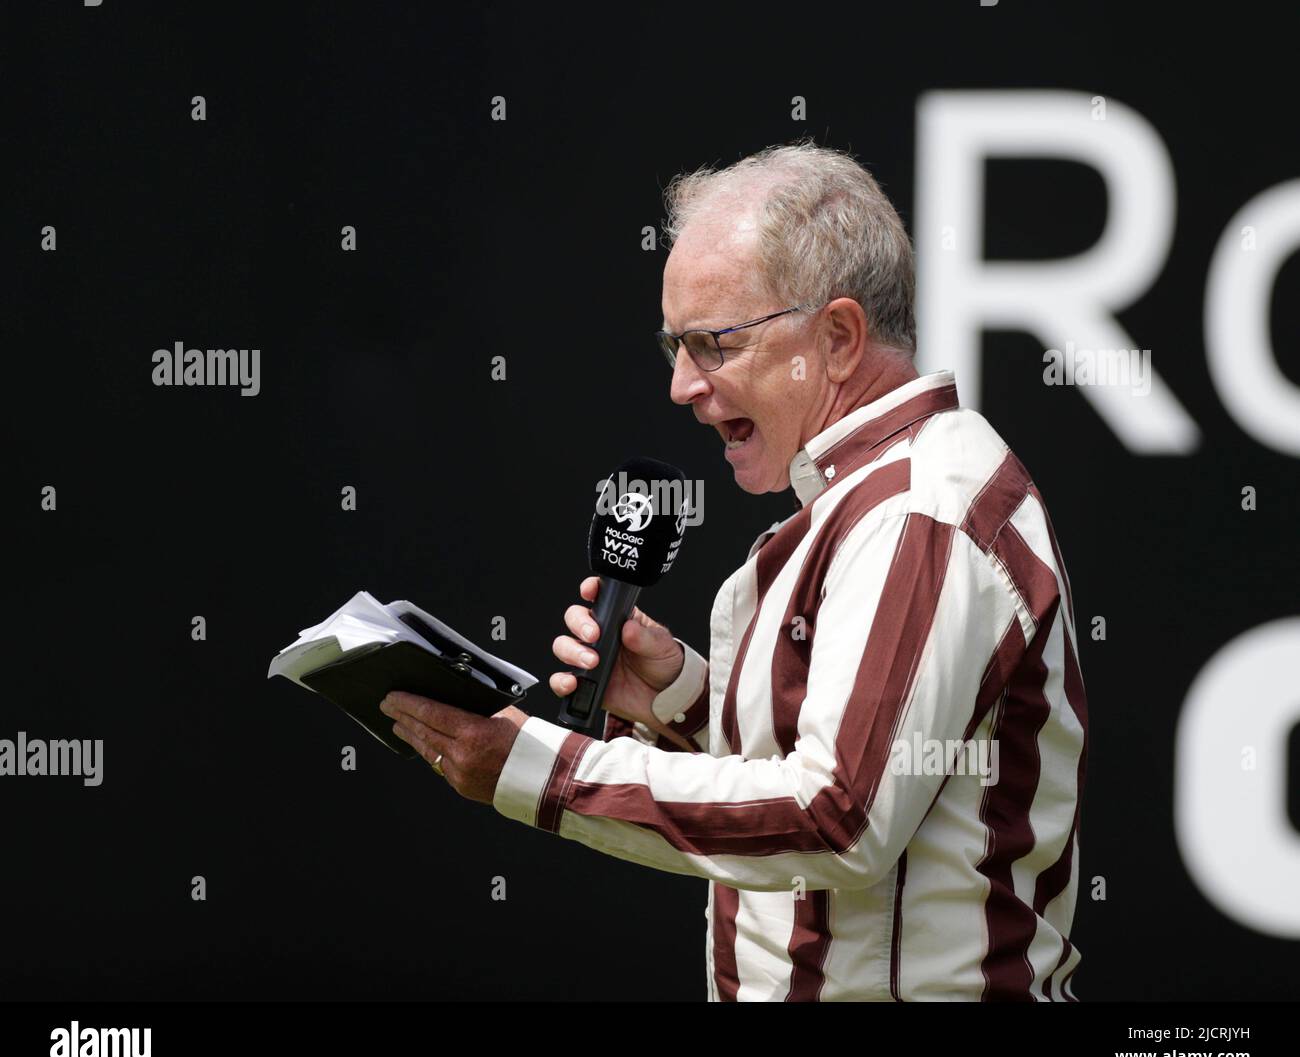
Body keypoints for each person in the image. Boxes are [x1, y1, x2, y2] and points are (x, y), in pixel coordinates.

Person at [381, 138, 1089, 1001]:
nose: (682, 384)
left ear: (837, 337)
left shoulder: (917, 512)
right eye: (674, 345)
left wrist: (541, 769)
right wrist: (680, 701)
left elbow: (838, 818)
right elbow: (856, 765)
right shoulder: (882, 490)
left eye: (714, 343)